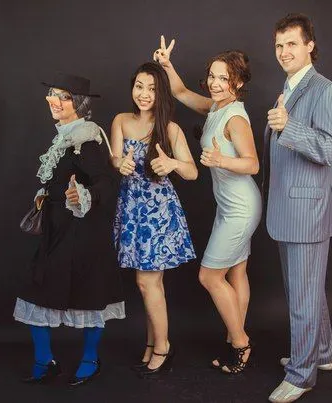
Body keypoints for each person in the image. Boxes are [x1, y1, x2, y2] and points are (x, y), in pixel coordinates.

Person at [153, 37, 261, 374]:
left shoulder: (235, 119)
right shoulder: (216, 107)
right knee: (237, 271)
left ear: (238, 83)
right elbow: (180, 92)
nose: (214, 83)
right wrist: (167, 65)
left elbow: (253, 164)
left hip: (241, 208)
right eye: (212, 76)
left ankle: (241, 344)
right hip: (230, 207)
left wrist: (220, 160)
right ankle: (234, 336)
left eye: (223, 78)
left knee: (209, 276)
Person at [13, 73, 125, 387]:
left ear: (78, 103)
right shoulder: (65, 136)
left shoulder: (85, 139)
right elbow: (64, 177)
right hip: (58, 229)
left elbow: (107, 183)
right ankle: (44, 361)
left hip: (82, 233)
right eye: (53, 94)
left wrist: (84, 194)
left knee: (90, 295)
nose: (56, 101)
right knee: (36, 291)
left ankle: (90, 359)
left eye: (64, 96)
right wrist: (47, 194)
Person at [263, 14, 332, 403]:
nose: (284, 52)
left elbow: (330, 149)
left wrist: (288, 127)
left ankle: (301, 374)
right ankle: (322, 354)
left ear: (310, 45)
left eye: (292, 44)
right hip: (289, 208)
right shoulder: (289, 87)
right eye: (279, 45)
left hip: (307, 211)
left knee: (302, 297)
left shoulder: (326, 90)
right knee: (307, 292)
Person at [111, 62, 198, 377]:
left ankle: (163, 347)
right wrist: (119, 163)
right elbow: (114, 157)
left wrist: (173, 163)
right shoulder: (121, 120)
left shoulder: (170, 129)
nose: (144, 93)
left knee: (147, 282)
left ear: (162, 93)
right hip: (132, 208)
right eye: (139, 86)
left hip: (159, 213)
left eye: (152, 88)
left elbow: (192, 172)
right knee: (150, 284)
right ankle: (151, 344)